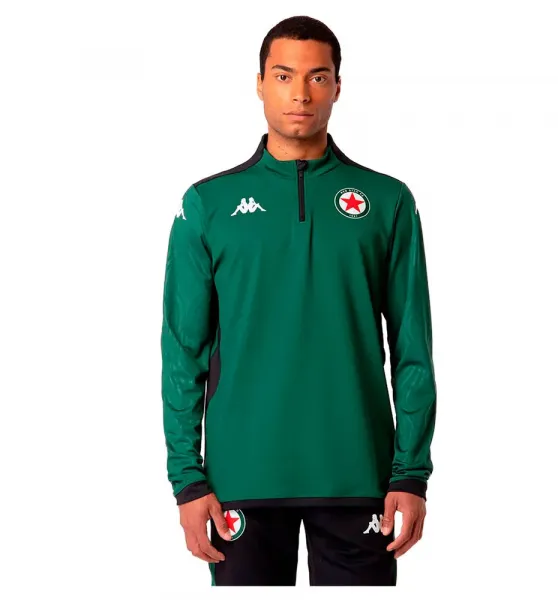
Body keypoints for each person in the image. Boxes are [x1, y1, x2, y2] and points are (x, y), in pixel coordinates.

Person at [160, 15, 437, 586]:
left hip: (359, 475)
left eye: (318, 77)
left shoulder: (388, 201)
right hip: (241, 478)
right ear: (259, 83)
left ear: (337, 86)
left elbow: (413, 349)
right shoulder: (208, 204)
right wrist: (187, 480)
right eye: (284, 76)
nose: (301, 94)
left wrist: (410, 473)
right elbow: (183, 353)